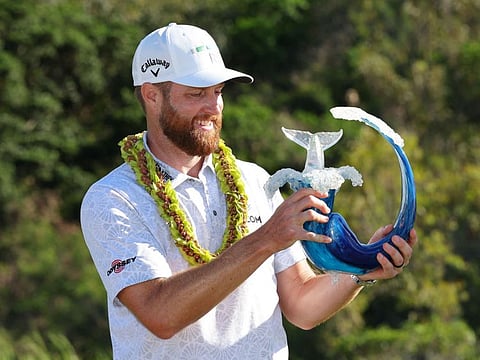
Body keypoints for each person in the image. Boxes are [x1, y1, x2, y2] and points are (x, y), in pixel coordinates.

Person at [80, 22, 417, 359]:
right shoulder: (113, 198)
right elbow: (161, 314)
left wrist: (361, 272)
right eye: (196, 94)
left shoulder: (254, 180)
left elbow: (301, 305)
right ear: (152, 95)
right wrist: (266, 238)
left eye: (218, 91)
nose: (212, 107)